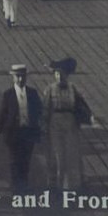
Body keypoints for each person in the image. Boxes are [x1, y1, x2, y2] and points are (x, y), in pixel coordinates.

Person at [42, 57, 93, 193]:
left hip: (70, 123)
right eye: (57, 74)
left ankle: (71, 185)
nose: (59, 77)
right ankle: (55, 183)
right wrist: (44, 125)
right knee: (58, 154)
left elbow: (80, 105)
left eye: (61, 74)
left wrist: (85, 117)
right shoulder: (50, 90)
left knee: (71, 153)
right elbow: (46, 108)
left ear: (66, 75)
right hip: (55, 122)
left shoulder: (72, 89)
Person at [0, 64, 44, 192]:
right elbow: (3, 113)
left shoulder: (32, 93)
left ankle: (24, 183)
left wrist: (42, 126)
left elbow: (39, 110)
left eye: (23, 77)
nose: (21, 80)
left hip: (28, 132)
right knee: (14, 160)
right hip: (13, 133)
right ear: (13, 78)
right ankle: (15, 185)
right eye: (18, 77)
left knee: (26, 160)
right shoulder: (8, 94)